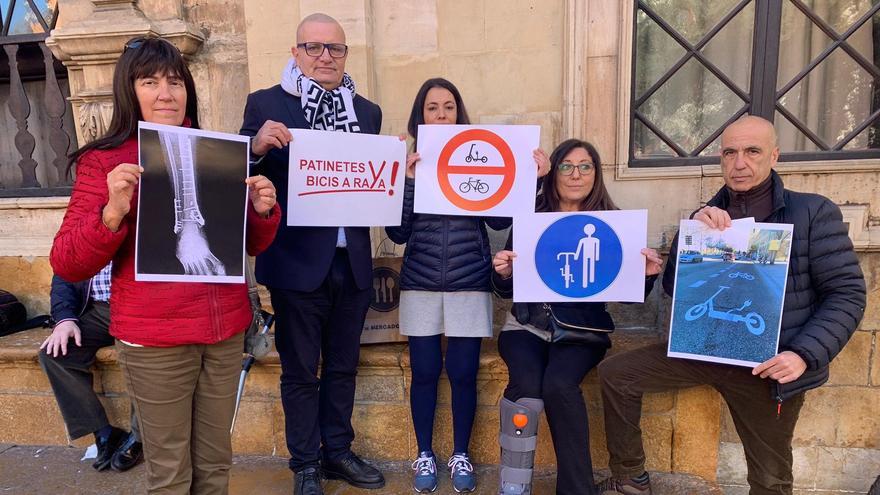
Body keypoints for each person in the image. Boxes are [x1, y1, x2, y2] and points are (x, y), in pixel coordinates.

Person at [50, 37, 281, 494]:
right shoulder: (105, 161)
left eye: (175, 82)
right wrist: (112, 211)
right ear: (129, 90)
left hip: (224, 332)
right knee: (170, 471)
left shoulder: (218, 151)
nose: (165, 93)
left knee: (215, 463)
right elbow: (68, 260)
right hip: (157, 340)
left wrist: (262, 210)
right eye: (150, 81)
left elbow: (247, 246)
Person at [596, 116, 866, 495]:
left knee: (770, 478)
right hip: (702, 349)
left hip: (768, 364)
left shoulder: (813, 213)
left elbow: (848, 294)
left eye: (752, 151)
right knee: (616, 374)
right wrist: (681, 247)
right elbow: (677, 289)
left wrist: (804, 355)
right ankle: (630, 478)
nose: (740, 162)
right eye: (730, 152)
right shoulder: (704, 217)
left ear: (774, 156)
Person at [239, 13, 384, 495]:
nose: (326, 56)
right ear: (295, 52)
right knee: (301, 372)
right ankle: (305, 463)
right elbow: (237, 170)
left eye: (335, 49)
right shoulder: (266, 103)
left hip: (353, 261)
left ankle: (337, 453)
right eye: (314, 47)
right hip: (297, 264)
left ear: (345, 55)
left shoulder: (367, 111)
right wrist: (255, 146)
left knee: (343, 366)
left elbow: (370, 181)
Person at [385, 77, 550, 493]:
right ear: (419, 116)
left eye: (448, 107)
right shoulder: (409, 162)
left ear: (459, 114)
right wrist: (407, 182)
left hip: (468, 283)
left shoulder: (478, 158)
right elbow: (397, 233)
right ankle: (425, 452)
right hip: (420, 282)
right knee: (424, 372)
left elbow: (498, 221)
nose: (441, 115)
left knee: (462, 373)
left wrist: (533, 178)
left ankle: (461, 454)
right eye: (432, 108)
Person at [491, 139, 663, 495]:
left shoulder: (612, 223)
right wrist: (503, 272)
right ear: (553, 172)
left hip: (582, 331)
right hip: (526, 325)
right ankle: (514, 486)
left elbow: (628, 298)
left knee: (558, 385)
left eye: (585, 166)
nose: (575, 174)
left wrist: (645, 275)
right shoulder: (531, 217)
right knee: (527, 391)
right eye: (567, 166)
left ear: (596, 175)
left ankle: (576, 490)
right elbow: (505, 289)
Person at [39, 264, 142, 472]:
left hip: (139, 309)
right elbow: (64, 270)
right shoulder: (83, 230)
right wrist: (64, 319)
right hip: (99, 310)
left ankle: (140, 436)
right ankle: (104, 432)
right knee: (55, 354)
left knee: (144, 356)